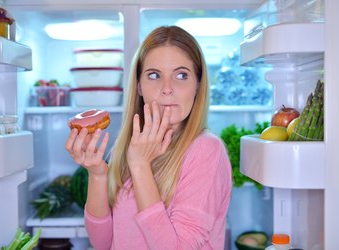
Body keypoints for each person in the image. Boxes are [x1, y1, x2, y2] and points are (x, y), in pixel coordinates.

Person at [65, 25, 232, 250]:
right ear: (139, 86)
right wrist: (98, 175)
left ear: (198, 85)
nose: (167, 88)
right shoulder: (131, 145)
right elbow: (104, 243)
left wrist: (140, 166)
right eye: (154, 75)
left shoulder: (206, 150)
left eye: (181, 75)